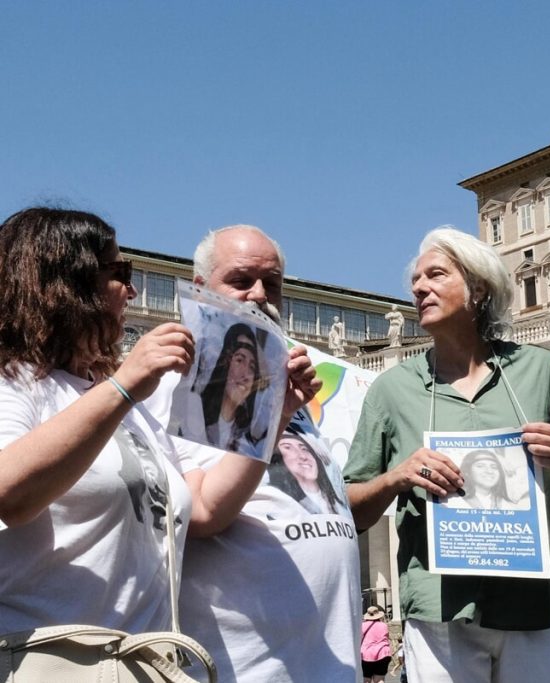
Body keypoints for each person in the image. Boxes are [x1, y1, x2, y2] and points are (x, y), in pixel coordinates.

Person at [0, 208, 316, 638]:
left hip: (145, 662)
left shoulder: (127, 406)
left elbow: (204, 508)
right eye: (119, 272)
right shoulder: (16, 380)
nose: (131, 290)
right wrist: (125, 384)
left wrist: (274, 419)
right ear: (66, 283)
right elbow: (8, 493)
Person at [344, 226, 550, 683]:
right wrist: (395, 478)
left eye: (436, 274)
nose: (419, 287)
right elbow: (351, 510)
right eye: (416, 280)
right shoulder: (391, 390)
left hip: (532, 606)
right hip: (440, 607)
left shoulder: (539, 370)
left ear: (478, 288)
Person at [146, 224, 362, 682]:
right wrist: (276, 417)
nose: (260, 295)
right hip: (244, 668)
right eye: (242, 281)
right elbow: (201, 515)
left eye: (273, 285)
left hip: (327, 665)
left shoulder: (294, 395)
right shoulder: (169, 391)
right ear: (201, 290)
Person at [196, 322, 266, 456]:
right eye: (239, 360)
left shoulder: (253, 435)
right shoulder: (195, 411)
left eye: (252, 367)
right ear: (225, 363)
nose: (246, 374)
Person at [269, 432, 345, 514]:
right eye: (288, 447)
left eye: (305, 449)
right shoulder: (278, 504)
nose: (303, 456)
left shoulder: (338, 504)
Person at [448, 449, 520, 510]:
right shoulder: (452, 502)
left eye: (494, 467)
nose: (489, 471)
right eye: (480, 466)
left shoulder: (509, 506)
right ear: (467, 472)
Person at [360, 605, 392, 683]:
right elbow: (387, 638)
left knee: (366, 679)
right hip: (383, 653)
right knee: (380, 680)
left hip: (366, 654)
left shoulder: (362, 626)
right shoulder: (384, 625)